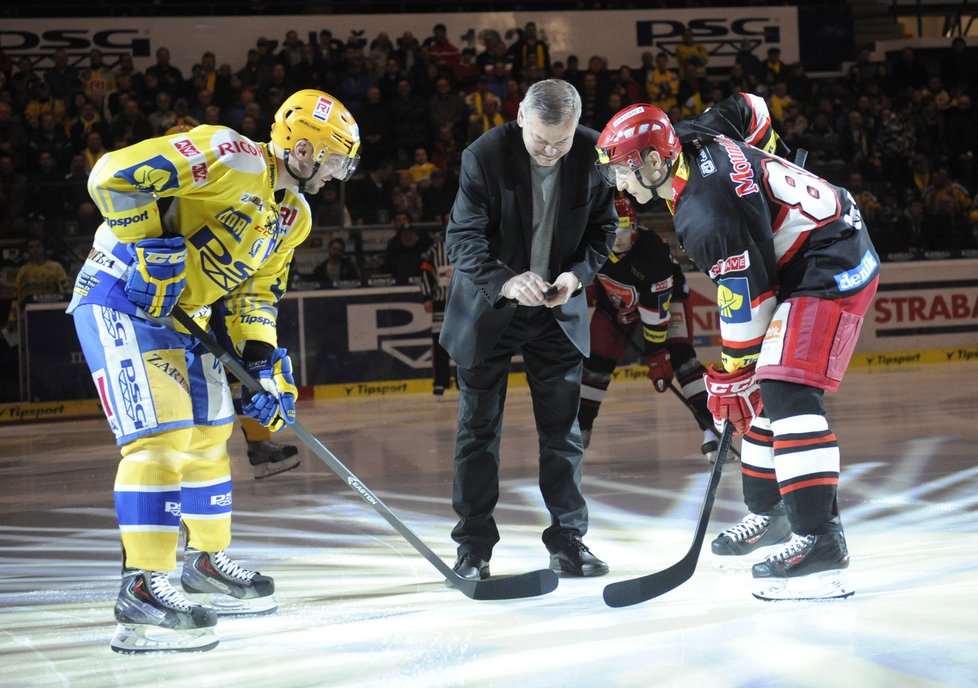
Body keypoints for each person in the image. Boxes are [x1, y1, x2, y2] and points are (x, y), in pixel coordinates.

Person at [66, 89, 360, 652]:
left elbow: (256, 296)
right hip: (122, 296)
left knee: (208, 436)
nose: (337, 172)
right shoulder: (230, 154)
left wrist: (261, 365)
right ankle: (142, 585)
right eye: (334, 157)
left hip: (187, 316)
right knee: (161, 437)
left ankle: (203, 562)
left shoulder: (293, 216)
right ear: (302, 147)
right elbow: (110, 176)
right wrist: (149, 241)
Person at [594, 93, 880, 600]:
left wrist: (733, 376)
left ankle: (819, 540)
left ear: (655, 161)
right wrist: (773, 163)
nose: (616, 182)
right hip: (808, 246)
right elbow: (752, 106)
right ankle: (771, 514)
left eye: (621, 170)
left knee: (782, 386)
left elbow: (750, 306)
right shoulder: (694, 130)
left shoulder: (704, 215)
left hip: (833, 257)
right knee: (761, 388)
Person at [440, 79, 617, 582]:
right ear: (521, 117)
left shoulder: (592, 153)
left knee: (564, 432)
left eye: (561, 142)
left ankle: (569, 541)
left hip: (556, 314)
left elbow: (604, 231)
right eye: (541, 139)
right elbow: (463, 238)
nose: (551, 151)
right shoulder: (484, 156)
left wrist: (576, 276)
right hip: (490, 309)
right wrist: (507, 281)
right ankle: (473, 547)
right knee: (478, 432)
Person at [577, 194, 719, 461]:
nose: (617, 237)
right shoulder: (594, 243)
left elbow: (656, 312)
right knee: (595, 363)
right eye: (612, 230)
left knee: (682, 360)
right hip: (616, 306)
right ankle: (580, 429)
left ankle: (712, 428)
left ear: (635, 227)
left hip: (667, 300)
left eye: (625, 229)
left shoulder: (651, 251)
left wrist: (656, 357)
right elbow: (586, 277)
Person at [419, 230, 452, 395]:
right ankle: (441, 381)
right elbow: (425, 270)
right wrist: (426, 296)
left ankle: (465, 381)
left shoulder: (469, 243)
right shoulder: (435, 249)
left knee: (467, 343)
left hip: (464, 302)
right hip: (441, 302)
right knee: (440, 345)